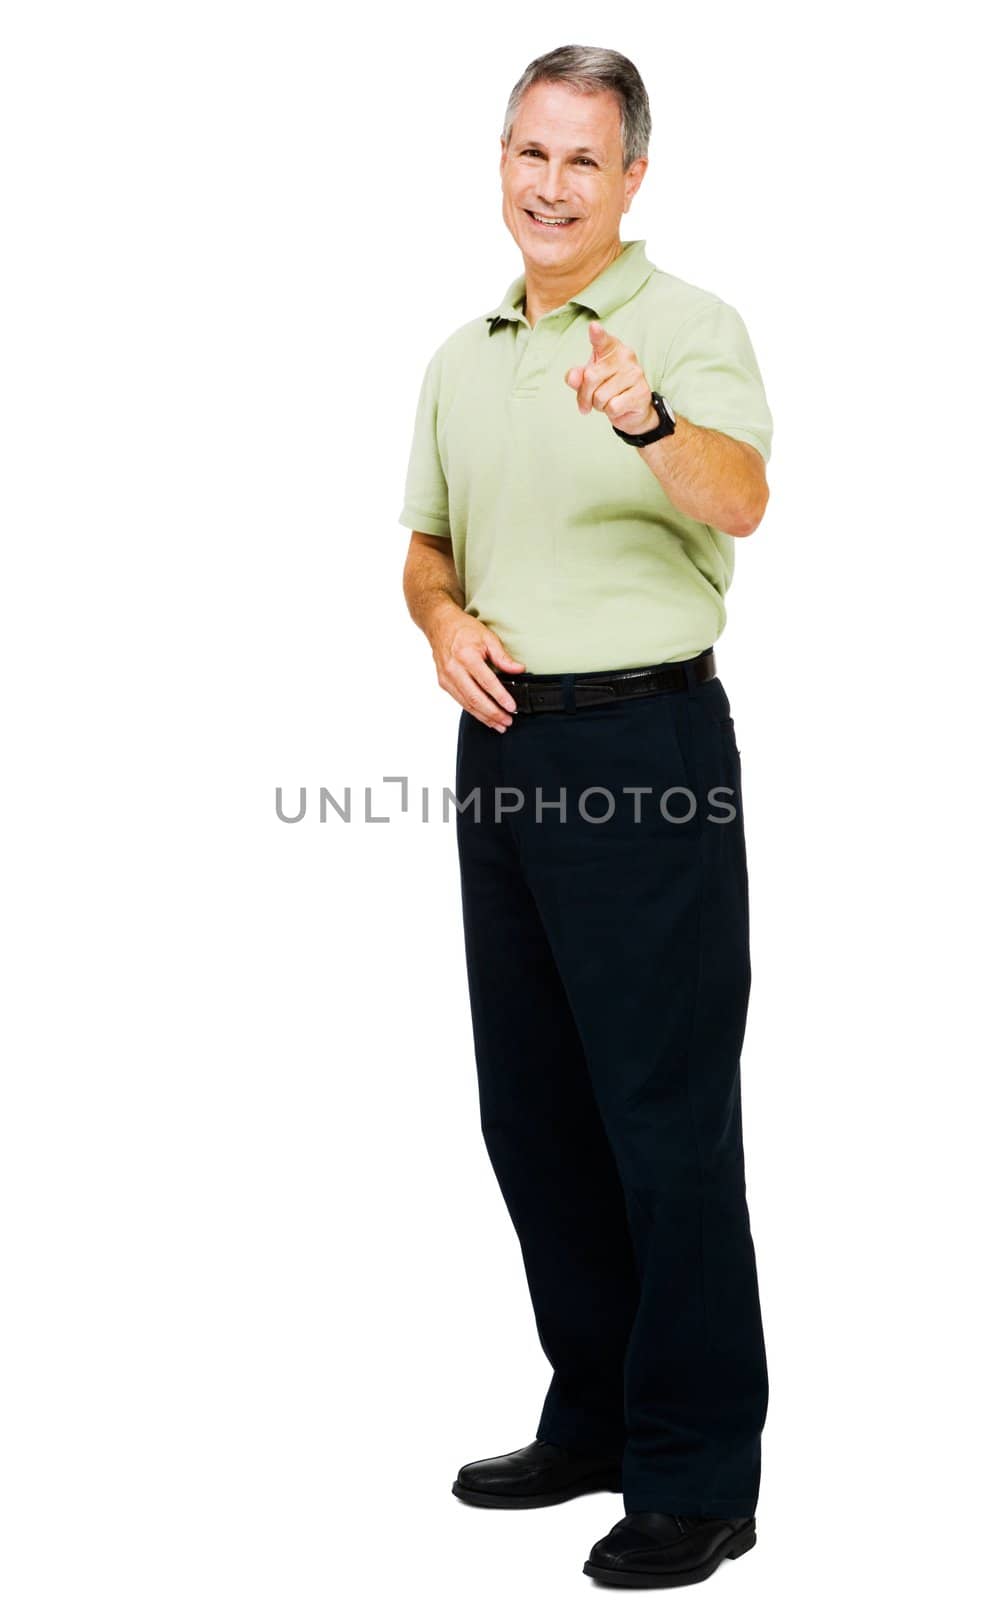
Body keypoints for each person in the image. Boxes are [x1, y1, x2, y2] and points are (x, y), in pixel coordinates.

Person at [398, 43, 772, 1590]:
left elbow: (741, 494)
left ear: (632, 180)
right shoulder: (460, 355)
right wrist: (436, 622)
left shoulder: (687, 329)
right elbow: (426, 546)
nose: (551, 186)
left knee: (663, 1122)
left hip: (647, 746)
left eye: (583, 161)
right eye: (528, 154)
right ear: (501, 162)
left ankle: (698, 1473)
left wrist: (641, 421)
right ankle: (599, 1416)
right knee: (534, 1109)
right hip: (504, 753)